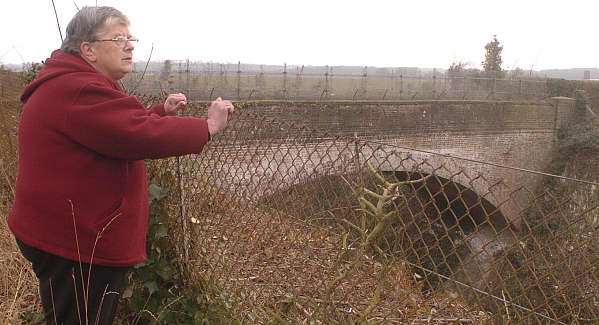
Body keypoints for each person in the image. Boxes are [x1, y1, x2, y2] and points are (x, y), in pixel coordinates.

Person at [8, 6, 234, 325]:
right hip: (77, 245)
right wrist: (206, 126)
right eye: (119, 38)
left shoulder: (73, 83)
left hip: (62, 233)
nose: (129, 45)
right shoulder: (77, 89)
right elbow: (135, 133)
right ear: (88, 49)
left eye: (131, 38)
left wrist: (160, 113)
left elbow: (114, 130)